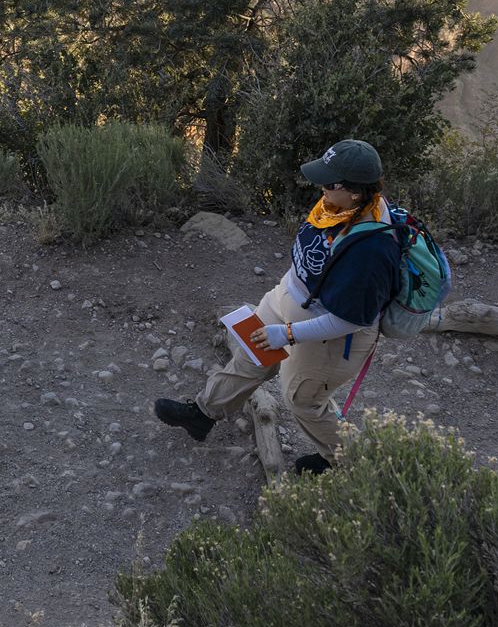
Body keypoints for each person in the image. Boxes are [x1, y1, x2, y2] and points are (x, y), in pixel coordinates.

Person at [154, 140, 402, 474]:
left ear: (356, 192)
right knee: (252, 353)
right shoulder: (336, 207)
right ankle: (203, 414)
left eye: (330, 183)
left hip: (330, 336)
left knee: (304, 401)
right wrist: (283, 301)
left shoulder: (371, 251)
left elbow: (350, 320)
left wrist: (286, 334)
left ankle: (350, 463)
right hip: (290, 300)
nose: (321, 187)